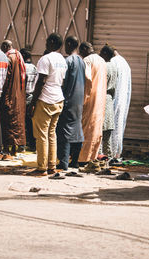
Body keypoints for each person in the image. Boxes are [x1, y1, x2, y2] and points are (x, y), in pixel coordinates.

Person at [29, 33, 67, 176]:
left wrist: (33, 102)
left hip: (46, 99)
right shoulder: (62, 60)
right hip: (58, 98)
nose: (45, 44)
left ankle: (42, 167)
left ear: (51, 42)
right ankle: (51, 166)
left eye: (46, 41)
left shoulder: (46, 59)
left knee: (42, 135)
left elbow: (41, 81)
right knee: (52, 134)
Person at [55, 36, 85, 170]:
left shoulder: (68, 61)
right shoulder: (81, 61)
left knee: (64, 131)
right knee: (77, 130)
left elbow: (63, 81)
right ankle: (75, 161)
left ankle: (64, 162)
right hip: (79, 100)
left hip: (68, 99)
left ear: (69, 44)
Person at [78, 42, 107, 164]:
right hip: (100, 100)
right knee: (95, 130)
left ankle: (83, 158)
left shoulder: (87, 60)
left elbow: (87, 80)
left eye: (81, 51)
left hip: (90, 100)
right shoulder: (102, 60)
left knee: (86, 128)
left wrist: (82, 99)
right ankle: (92, 157)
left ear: (84, 49)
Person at [0, 40, 27, 160]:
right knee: (17, 120)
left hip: (10, 93)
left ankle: (7, 150)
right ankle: (15, 149)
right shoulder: (19, 56)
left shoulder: (9, 58)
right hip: (19, 94)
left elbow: (6, 77)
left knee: (8, 121)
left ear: (6, 46)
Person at [109, 46, 132, 161]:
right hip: (123, 100)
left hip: (113, 99)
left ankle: (110, 154)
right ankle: (117, 153)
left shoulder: (112, 62)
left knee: (110, 127)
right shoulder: (125, 63)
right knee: (119, 126)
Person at [99, 45, 117, 159]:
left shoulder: (104, 66)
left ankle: (99, 156)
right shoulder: (114, 67)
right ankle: (109, 156)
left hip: (102, 98)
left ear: (105, 54)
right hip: (110, 99)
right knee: (107, 133)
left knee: (99, 131)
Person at [20, 48, 38, 151]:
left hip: (23, 98)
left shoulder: (22, 67)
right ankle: (32, 144)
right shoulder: (35, 68)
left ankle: (22, 144)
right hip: (32, 97)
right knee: (31, 123)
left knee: (22, 123)